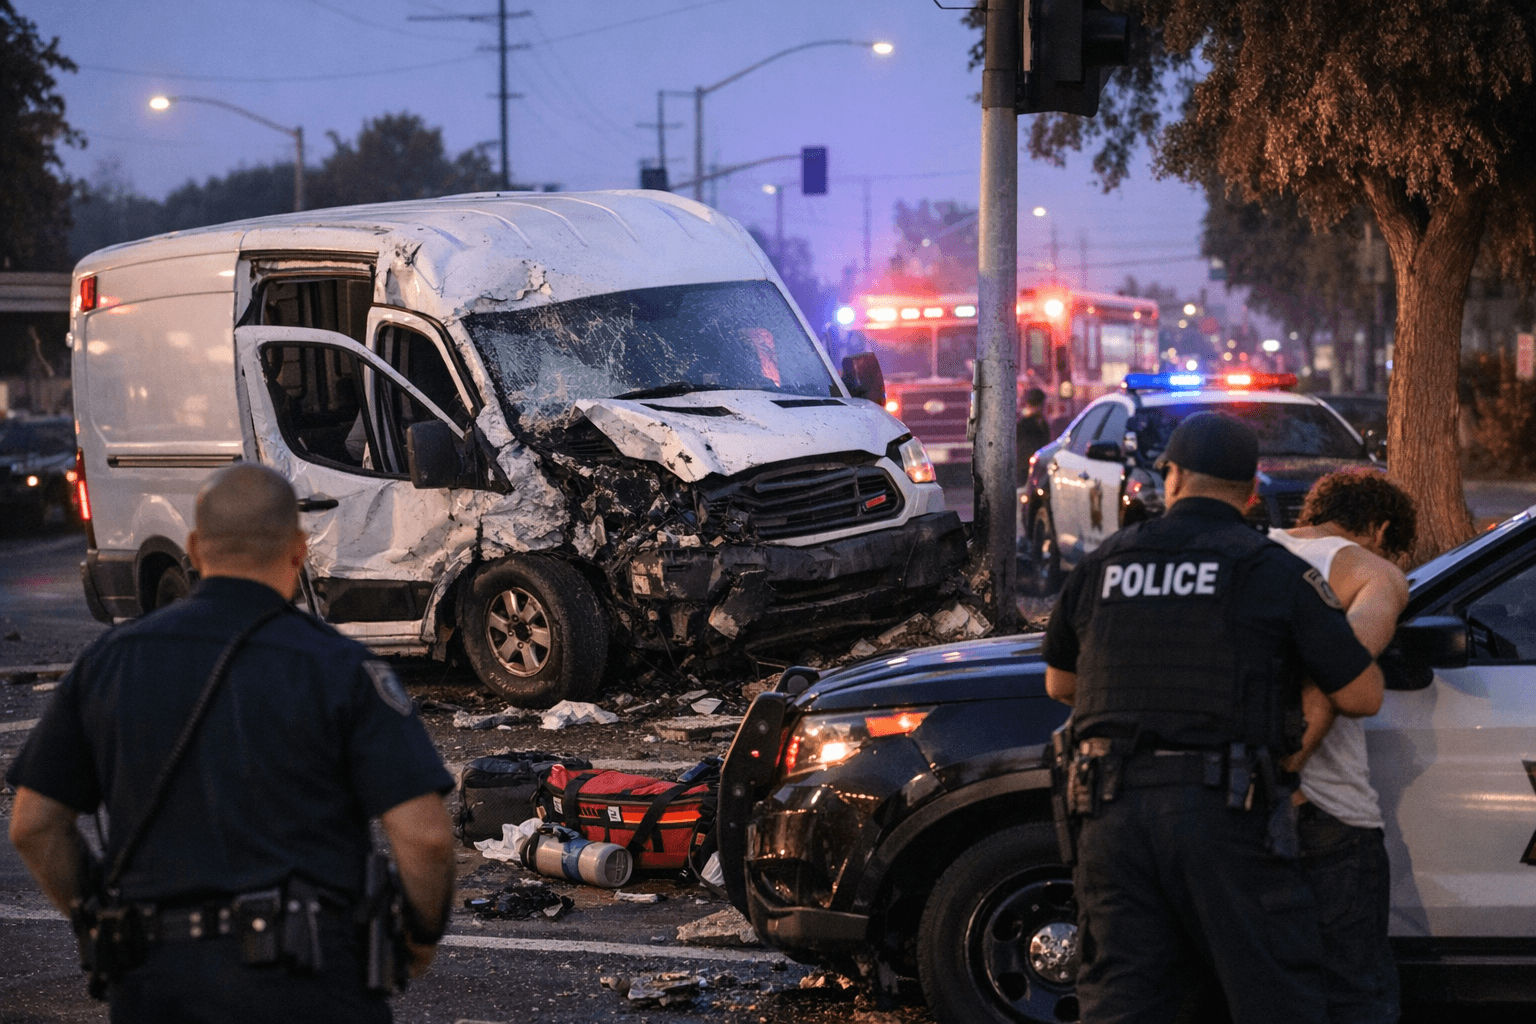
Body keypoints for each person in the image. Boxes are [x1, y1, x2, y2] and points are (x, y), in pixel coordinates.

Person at [7, 464, 456, 1023]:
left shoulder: (108, 662)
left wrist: (101, 915)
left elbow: (33, 825)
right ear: (297, 550)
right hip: (312, 986)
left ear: (194, 549)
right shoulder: (339, 666)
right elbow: (427, 836)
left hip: (156, 986)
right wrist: (418, 938)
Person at [1042, 412, 1385, 1024]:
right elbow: (1361, 695)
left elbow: (1061, 682)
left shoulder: (1104, 564)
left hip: (1109, 812)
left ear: (1170, 477)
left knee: (1126, 997)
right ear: (1251, 491)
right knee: (1272, 994)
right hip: (1223, 812)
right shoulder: (1268, 568)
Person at [1270, 471, 1416, 1024]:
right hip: (1323, 809)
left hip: (1224, 801)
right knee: (1356, 990)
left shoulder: (1253, 556)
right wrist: (1286, 773)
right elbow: (1344, 674)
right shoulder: (1372, 571)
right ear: (1379, 530)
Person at [1017, 387, 1052, 483]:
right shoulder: (1032, 423)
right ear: (1040, 404)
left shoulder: (1023, 422)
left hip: (1027, 469)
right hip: (1029, 470)